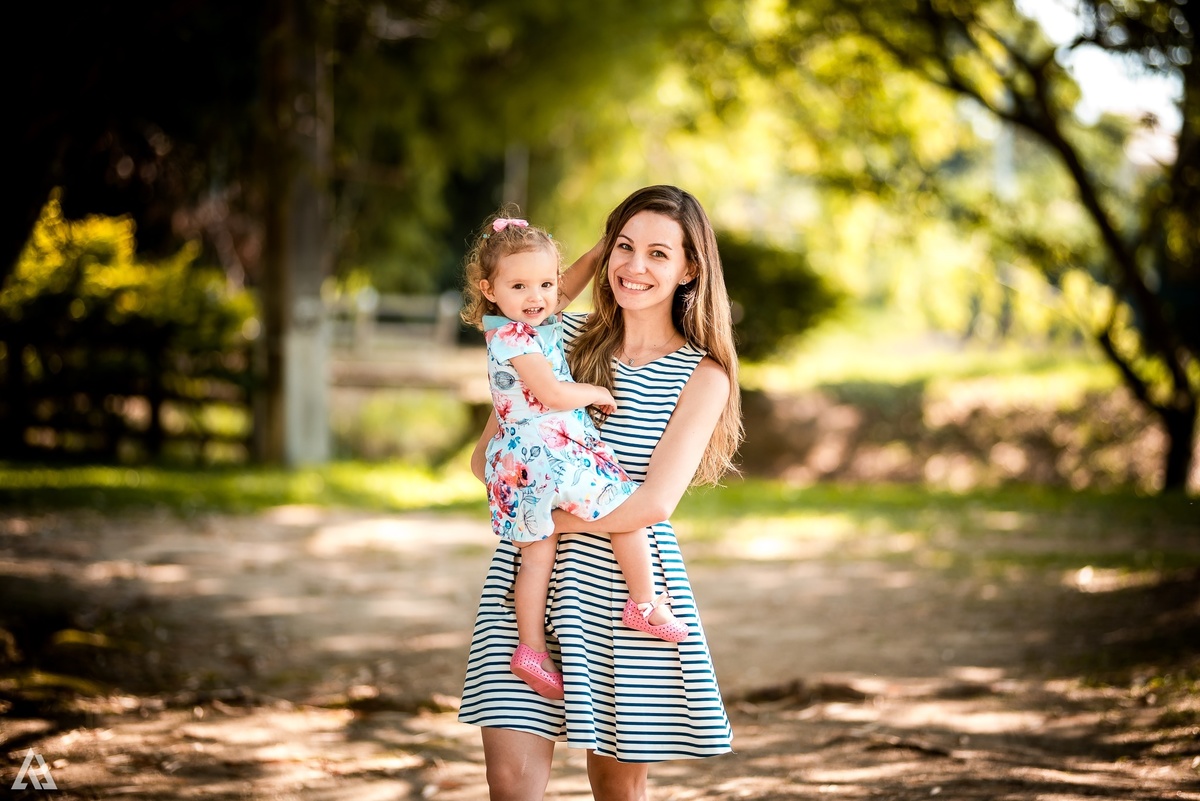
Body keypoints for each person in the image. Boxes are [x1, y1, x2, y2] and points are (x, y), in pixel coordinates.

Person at [459, 186, 743, 800]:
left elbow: (653, 506)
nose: (635, 266)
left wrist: (542, 516)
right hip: (527, 582)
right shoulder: (553, 334)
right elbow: (488, 457)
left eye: (658, 254)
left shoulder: (703, 374)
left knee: (615, 789)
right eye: (624, 246)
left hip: (623, 591)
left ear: (690, 268)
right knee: (510, 784)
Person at [459, 210, 690, 702]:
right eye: (521, 286)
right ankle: (645, 603)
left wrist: (607, 249)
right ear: (488, 288)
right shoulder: (515, 337)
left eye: (546, 284)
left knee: (536, 556)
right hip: (547, 450)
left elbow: (567, 284)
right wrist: (594, 393)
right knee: (622, 505)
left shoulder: (525, 319)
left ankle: (530, 650)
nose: (539, 296)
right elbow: (550, 392)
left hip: (520, 458)